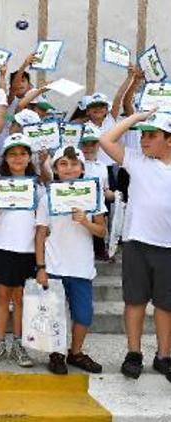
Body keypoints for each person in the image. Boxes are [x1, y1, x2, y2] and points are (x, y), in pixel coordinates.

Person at [97, 110, 171, 381]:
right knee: (135, 300)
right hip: (137, 243)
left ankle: (164, 355)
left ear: (169, 139)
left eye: (152, 135)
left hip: (168, 247)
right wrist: (136, 118)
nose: (144, 140)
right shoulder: (138, 161)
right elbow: (106, 139)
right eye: (142, 135)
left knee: (166, 305)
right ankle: (134, 353)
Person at [35, 146, 107, 375]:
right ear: (55, 169)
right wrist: (41, 267)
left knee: (83, 314)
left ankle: (75, 352)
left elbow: (101, 231)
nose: (69, 168)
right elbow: (40, 234)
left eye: (74, 164)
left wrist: (85, 221)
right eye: (63, 164)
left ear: (82, 168)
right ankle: (56, 354)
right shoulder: (47, 197)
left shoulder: (93, 195)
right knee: (54, 314)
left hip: (81, 266)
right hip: (55, 265)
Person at [0, 134, 39, 367]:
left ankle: (19, 343)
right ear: (5, 157)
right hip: (2, 245)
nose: (18, 158)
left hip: (27, 249)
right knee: (2, 297)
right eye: (13, 154)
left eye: (22, 153)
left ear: (29, 157)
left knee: (20, 298)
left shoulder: (38, 185)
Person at [79, 124, 114, 261]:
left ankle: (101, 251)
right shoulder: (77, 164)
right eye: (85, 144)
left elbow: (106, 189)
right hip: (82, 203)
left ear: (98, 145)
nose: (88, 148)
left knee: (100, 228)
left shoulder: (103, 166)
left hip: (99, 204)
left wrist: (114, 195)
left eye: (92, 144)